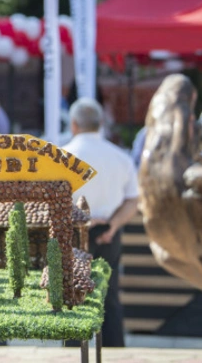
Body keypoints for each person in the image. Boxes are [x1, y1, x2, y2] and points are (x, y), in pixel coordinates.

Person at [63, 98, 138, 348]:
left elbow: (51, 203)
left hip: (74, 232)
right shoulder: (120, 156)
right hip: (109, 230)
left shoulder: (62, 158)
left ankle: (74, 354)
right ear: (101, 123)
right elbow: (132, 200)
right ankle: (116, 352)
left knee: (74, 297)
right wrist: (115, 224)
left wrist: (81, 220)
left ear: (73, 124)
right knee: (109, 296)